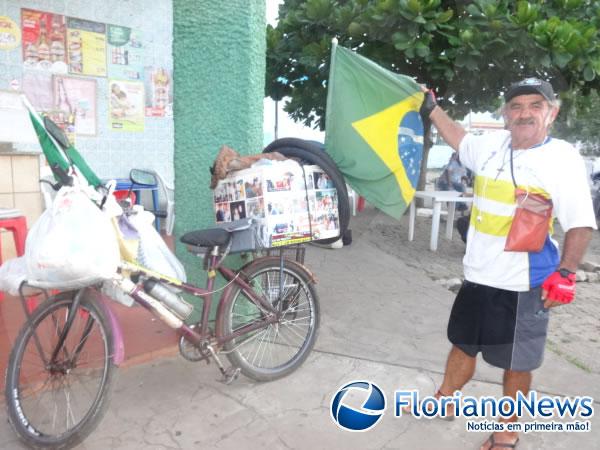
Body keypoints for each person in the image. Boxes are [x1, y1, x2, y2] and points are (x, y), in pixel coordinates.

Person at [412, 78, 596, 450]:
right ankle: (446, 396)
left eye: (535, 105)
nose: (524, 113)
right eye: (516, 106)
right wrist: (431, 109)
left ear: (552, 113)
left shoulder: (561, 158)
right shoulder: (490, 147)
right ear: (505, 113)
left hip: (524, 283)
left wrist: (566, 274)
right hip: (478, 276)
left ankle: (506, 431)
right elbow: (458, 138)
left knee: (517, 362)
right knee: (463, 345)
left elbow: (580, 222)